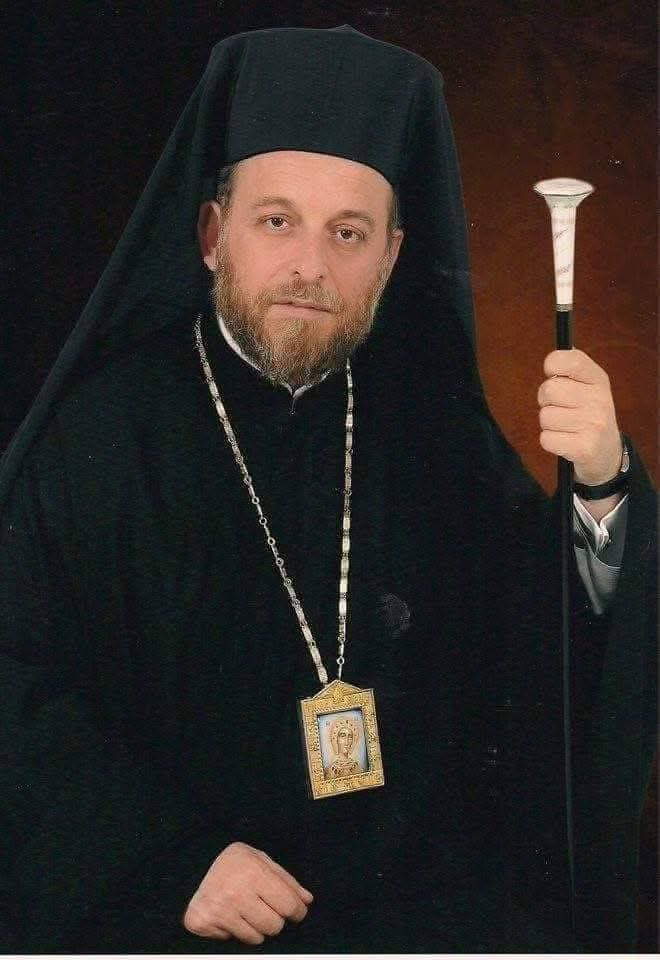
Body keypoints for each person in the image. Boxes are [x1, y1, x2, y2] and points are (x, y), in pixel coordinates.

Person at [0, 24, 655, 955]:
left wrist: (602, 488)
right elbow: (17, 686)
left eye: (348, 233)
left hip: (414, 916)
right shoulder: (97, 438)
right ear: (213, 235)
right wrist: (167, 860)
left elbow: (545, 667)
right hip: (184, 917)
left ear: (390, 257)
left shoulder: (437, 431)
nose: (310, 266)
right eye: (277, 222)